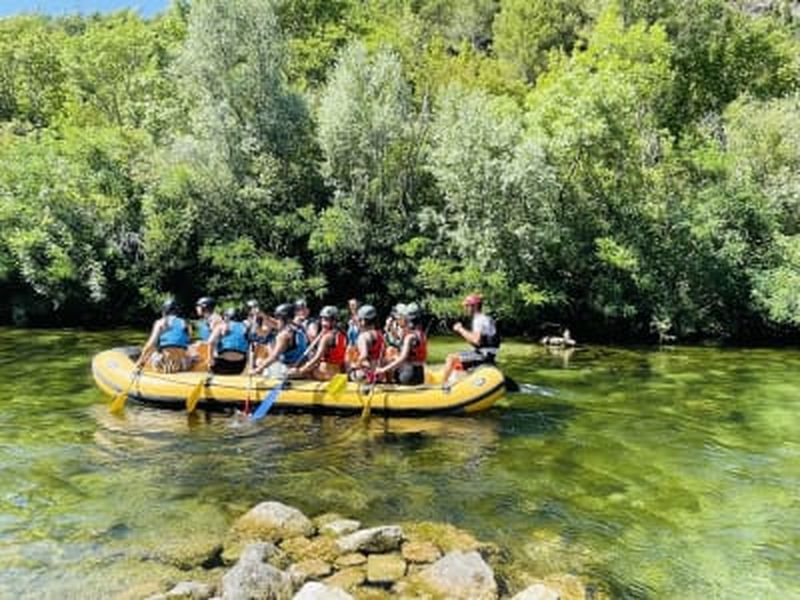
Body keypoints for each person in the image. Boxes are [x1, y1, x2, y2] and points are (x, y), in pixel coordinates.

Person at [441, 294, 500, 387]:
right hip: (488, 354)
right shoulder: (485, 318)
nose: (465, 309)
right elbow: (479, 342)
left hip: (484, 356)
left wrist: (460, 329)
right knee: (458, 363)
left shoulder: (479, 320)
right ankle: (459, 384)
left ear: (475, 306)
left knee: (451, 358)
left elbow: (476, 340)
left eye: (467, 306)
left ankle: (442, 387)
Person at [289, 306, 347, 381]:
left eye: (326, 320)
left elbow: (317, 358)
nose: (323, 323)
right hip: (337, 373)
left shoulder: (327, 337)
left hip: (323, 374)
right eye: (322, 319)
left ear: (333, 321)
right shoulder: (343, 334)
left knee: (297, 372)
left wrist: (300, 371)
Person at [251, 303, 309, 377]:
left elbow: (274, 357)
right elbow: (273, 322)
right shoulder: (299, 328)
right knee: (262, 362)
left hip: (290, 371)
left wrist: (257, 369)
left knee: (260, 363)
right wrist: (262, 315)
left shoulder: (284, 335)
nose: (276, 320)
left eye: (278, 317)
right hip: (301, 367)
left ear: (285, 319)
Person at [135, 298, 192, 373]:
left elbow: (150, 344)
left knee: (150, 354)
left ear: (164, 311)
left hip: (164, 363)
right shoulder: (186, 323)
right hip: (183, 364)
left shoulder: (160, 322)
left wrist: (140, 360)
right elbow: (186, 343)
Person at [376, 303, 427, 385]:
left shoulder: (410, 336)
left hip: (407, 375)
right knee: (391, 356)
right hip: (420, 375)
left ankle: (387, 383)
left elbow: (402, 358)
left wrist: (383, 370)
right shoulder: (422, 334)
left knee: (387, 360)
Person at [206, 307, 249, 375]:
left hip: (223, 364)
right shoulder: (245, 327)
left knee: (212, 355)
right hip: (240, 366)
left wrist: (210, 359)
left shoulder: (221, 326)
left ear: (227, 317)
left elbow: (210, 342)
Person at [348, 304, 385, 382]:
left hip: (367, 375)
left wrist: (354, 365)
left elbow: (364, 355)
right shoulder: (380, 335)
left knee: (349, 369)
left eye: (359, 320)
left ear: (364, 321)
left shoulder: (363, 336)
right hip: (379, 375)